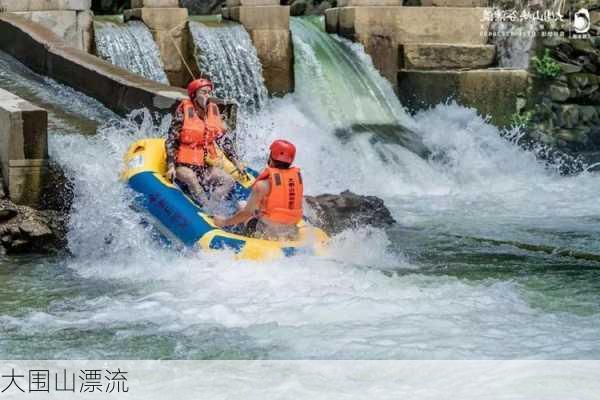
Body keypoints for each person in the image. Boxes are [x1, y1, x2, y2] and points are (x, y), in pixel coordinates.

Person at [165, 78, 242, 206]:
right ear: (194, 95)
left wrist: (236, 162)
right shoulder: (183, 111)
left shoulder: (213, 111)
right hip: (182, 165)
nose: (208, 95)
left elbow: (223, 140)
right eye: (204, 92)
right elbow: (171, 140)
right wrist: (171, 166)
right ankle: (205, 207)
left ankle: (213, 205)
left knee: (228, 180)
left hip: (202, 166)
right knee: (191, 178)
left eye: (209, 92)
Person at [213, 140, 304, 240]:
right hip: (292, 232)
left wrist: (224, 222)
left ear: (271, 157)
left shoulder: (262, 185)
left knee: (242, 204)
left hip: (267, 234)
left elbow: (245, 214)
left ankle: (240, 234)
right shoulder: (297, 179)